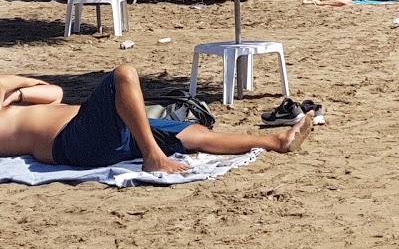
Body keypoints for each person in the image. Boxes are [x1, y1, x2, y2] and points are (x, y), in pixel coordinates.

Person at [0, 66, 310, 175]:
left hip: (100, 133)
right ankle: (153, 157)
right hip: (71, 143)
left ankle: (276, 141)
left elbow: (53, 91)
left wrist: (16, 93)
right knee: (123, 76)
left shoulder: (8, 99)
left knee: (194, 133)